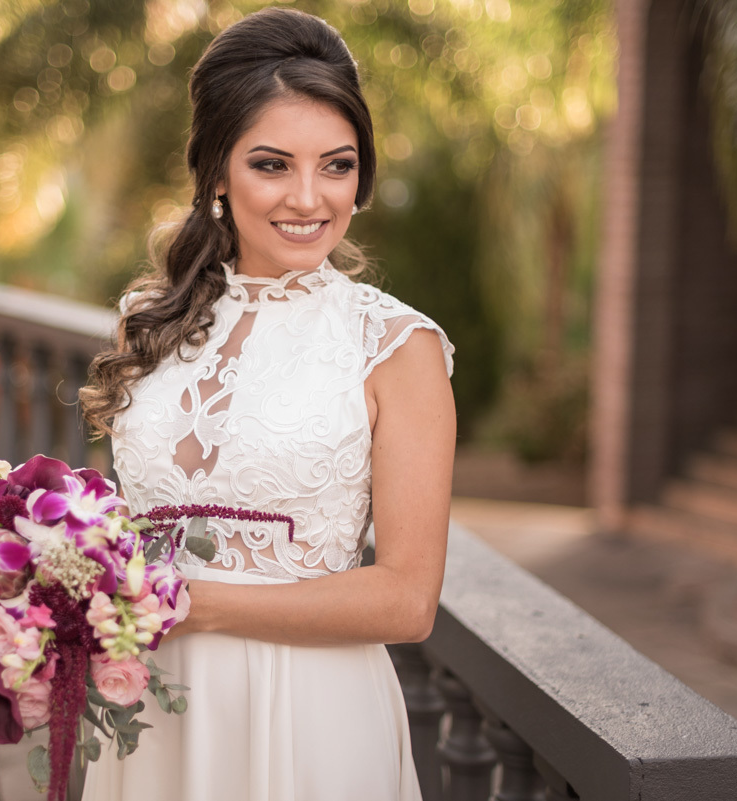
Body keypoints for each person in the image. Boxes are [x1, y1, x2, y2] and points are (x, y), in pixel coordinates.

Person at [78, 8, 455, 800]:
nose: (310, 198)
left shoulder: (396, 346)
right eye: (273, 165)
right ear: (217, 171)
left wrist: (194, 605)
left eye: (338, 165)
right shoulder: (151, 317)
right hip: (154, 705)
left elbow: (408, 598)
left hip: (311, 715)